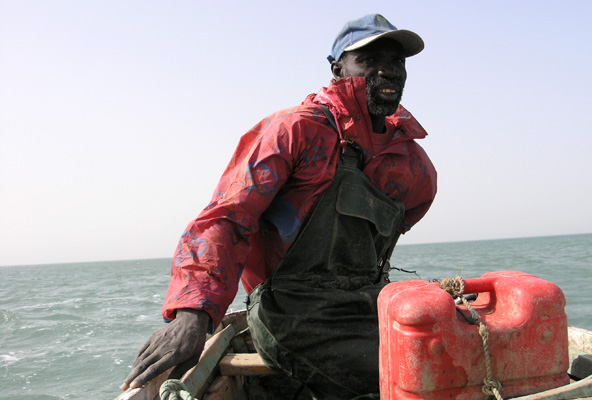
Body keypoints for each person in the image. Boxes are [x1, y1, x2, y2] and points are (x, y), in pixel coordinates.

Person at [122, 14, 437, 399]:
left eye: (397, 62)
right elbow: (226, 219)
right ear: (338, 68)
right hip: (292, 315)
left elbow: (403, 220)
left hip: (367, 307)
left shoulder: (414, 165)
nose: (388, 71)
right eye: (370, 60)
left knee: (455, 344)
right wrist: (194, 314)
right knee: (416, 372)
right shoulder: (294, 132)